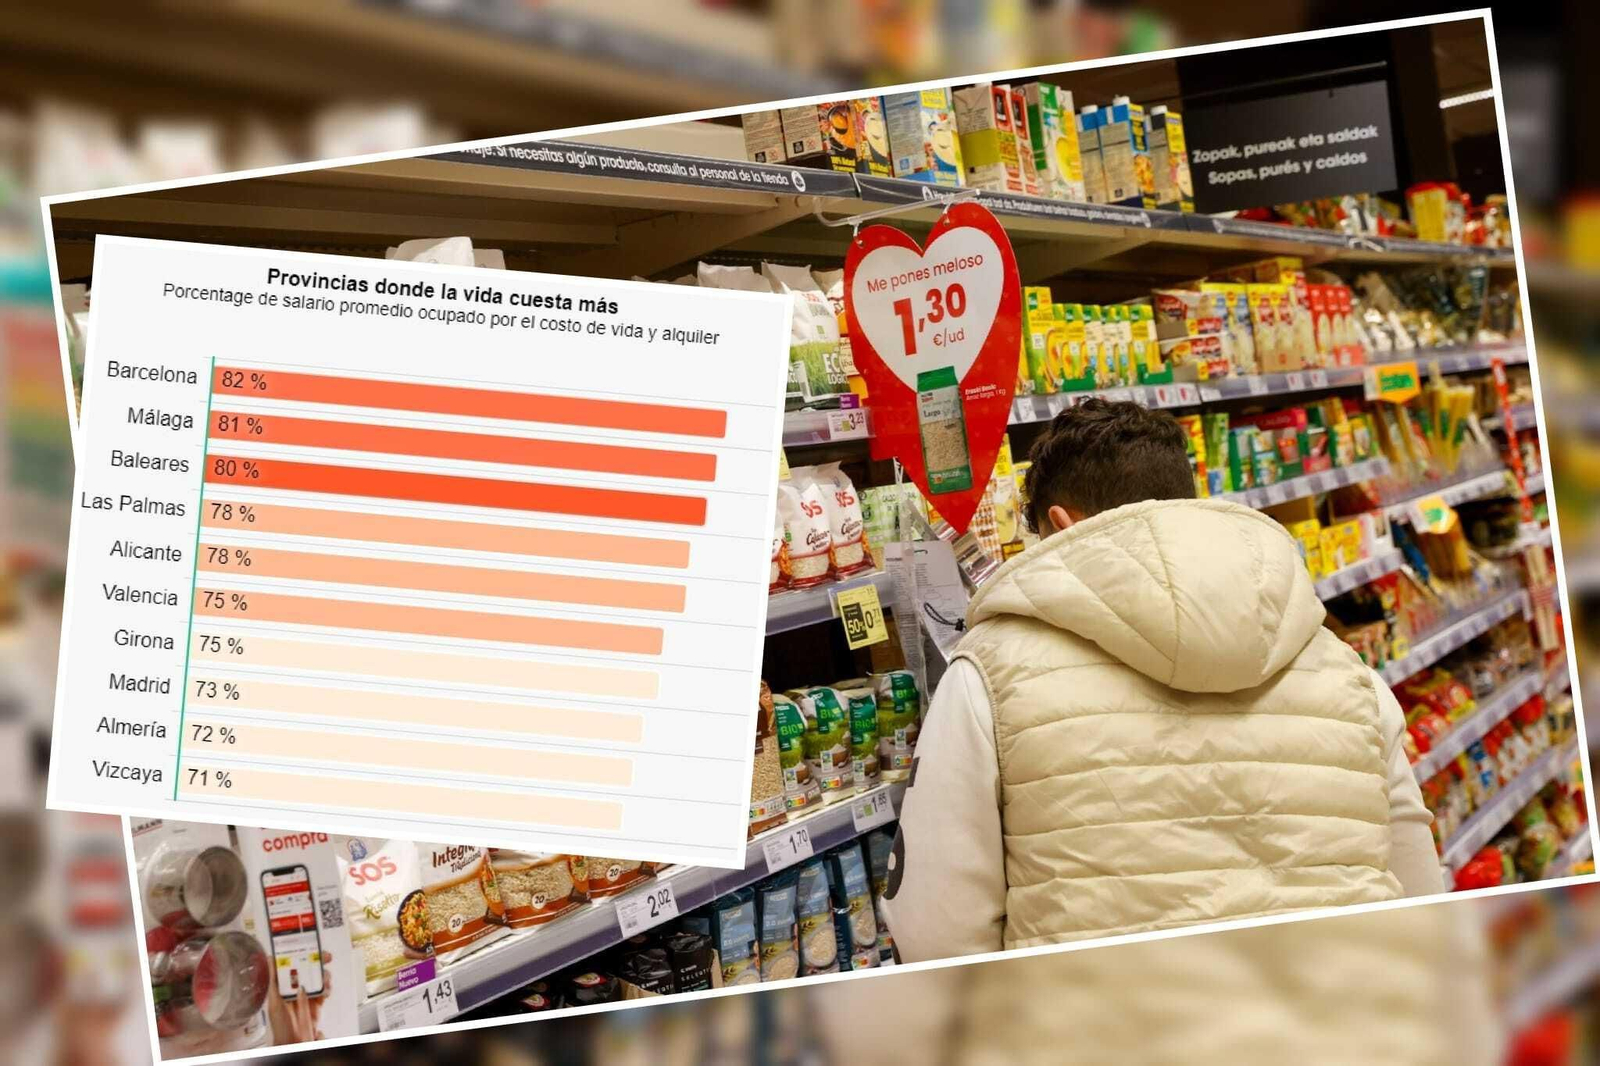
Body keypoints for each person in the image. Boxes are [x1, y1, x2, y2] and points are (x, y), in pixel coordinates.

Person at [882, 398, 1444, 961]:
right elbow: (1418, 888)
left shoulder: (988, 675)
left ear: (1062, 526)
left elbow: (937, 928)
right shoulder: (1344, 669)